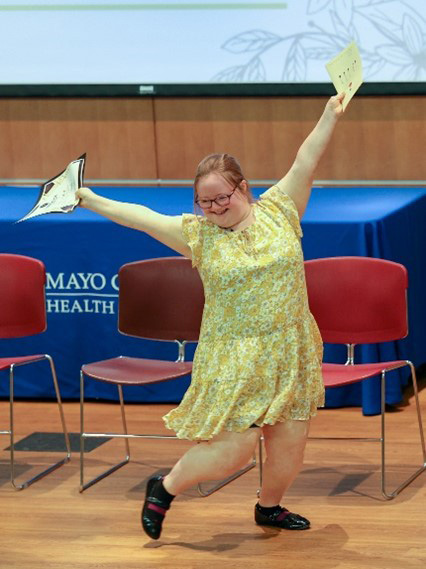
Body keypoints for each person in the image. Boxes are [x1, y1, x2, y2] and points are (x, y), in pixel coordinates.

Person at [76, 93, 345, 540]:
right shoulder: (198, 236)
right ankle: (164, 488)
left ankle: (269, 508)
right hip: (234, 355)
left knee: (290, 443)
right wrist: (88, 198)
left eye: (222, 198)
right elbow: (141, 217)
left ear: (243, 188)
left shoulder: (281, 209)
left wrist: (329, 114)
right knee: (235, 449)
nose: (215, 208)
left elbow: (307, 158)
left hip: (289, 346)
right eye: (205, 202)